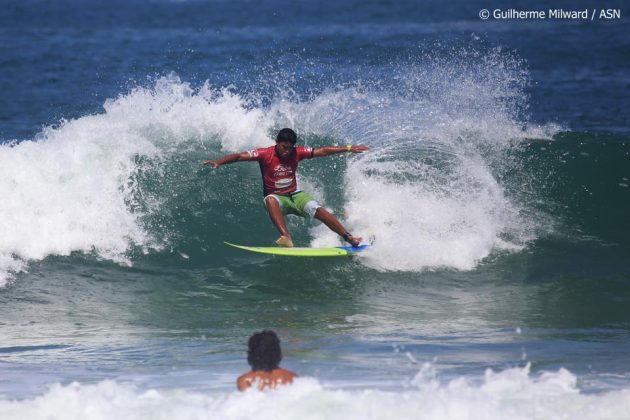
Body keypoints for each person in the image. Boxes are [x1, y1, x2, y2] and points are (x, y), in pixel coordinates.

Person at [203, 128, 369, 248]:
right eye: (284, 147)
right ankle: (286, 236)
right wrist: (219, 161)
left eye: (290, 148)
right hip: (276, 198)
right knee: (269, 199)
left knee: (320, 211)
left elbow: (323, 151)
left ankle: (350, 238)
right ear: (277, 143)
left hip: (295, 195)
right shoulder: (264, 154)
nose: (287, 151)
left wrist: (348, 148)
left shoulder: (297, 152)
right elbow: (239, 156)